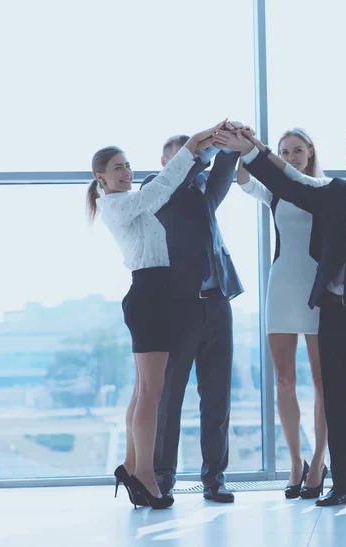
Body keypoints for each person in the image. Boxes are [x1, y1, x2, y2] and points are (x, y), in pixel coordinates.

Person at [216, 128, 346, 508]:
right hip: (331, 313)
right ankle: (344, 482)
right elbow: (291, 183)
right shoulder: (335, 194)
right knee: (338, 403)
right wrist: (252, 152)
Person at [86, 121, 224, 509]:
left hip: (155, 295)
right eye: (118, 168)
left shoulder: (128, 201)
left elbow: (164, 188)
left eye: (128, 166)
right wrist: (194, 145)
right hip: (149, 295)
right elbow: (163, 186)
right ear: (101, 177)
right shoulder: (118, 204)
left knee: (141, 391)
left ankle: (132, 466)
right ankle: (145, 475)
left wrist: (202, 145)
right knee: (152, 393)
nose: (127, 173)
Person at [142, 129, 242, 504]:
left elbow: (221, 173)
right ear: (169, 162)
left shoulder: (204, 194)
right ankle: (163, 476)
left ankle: (214, 478)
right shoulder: (157, 187)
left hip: (218, 303)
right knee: (171, 397)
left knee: (217, 398)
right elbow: (184, 172)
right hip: (179, 307)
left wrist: (230, 143)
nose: (197, 162)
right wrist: (198, 150)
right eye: (186, 156)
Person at [235, 128, 329, 499]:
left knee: (323, 381)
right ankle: (296, 462)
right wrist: (249, 147)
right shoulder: (275, 191)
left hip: (316, 288)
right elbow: (243, 181)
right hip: (281, 286)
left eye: (297, 151)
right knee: (284, 381)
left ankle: (320, 461)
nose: (291, 157)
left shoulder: (324, 189)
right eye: (285, 152)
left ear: (310, 152)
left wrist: (262, 152)